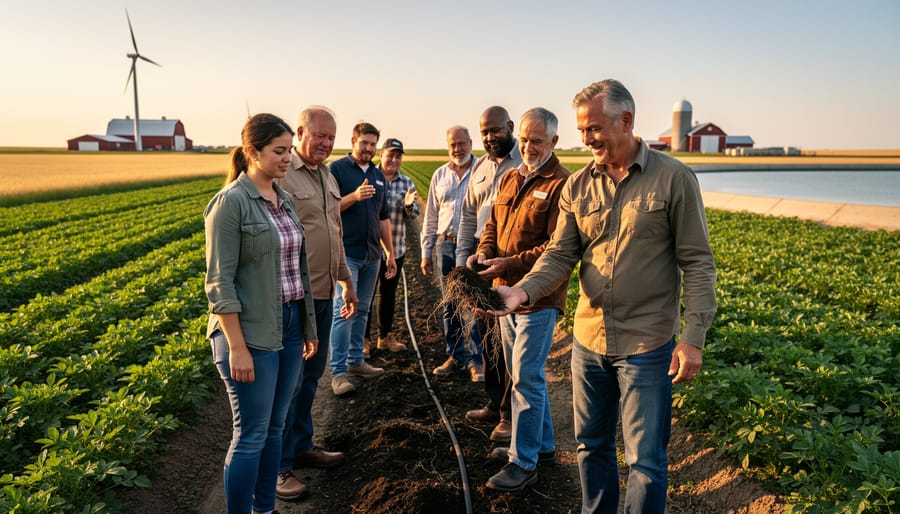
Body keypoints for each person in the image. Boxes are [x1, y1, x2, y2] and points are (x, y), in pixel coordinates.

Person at [490, 79, 717, 513]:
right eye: (582, 130)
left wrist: (692, 337)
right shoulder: (578, 186)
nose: (587, 138)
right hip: (589, 340)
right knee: (591, 446)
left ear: (626, 121)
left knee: (646, 459)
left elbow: (698, 264)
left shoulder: (673, 179)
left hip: (646, 344)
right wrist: (523, 291)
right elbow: (560, 254)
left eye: (594, 128)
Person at [204, 113, 318, 514]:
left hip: (286, 325)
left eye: (289, 150)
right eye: (279, 151)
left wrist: (306, 326)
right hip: (247, 333)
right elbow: (219, 283)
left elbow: (296, 271)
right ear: (252, 152)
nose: (288, 158)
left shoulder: (281, 198)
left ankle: (264, 509)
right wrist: (236, 347)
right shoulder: (230, 203)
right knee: (251, 433)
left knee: (274, 429)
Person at [468, 107, 570, 491]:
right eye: (524, 139)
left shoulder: (562, 184)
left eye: (537, 141)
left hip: (538, 297)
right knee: (521, 373)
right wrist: (484, 252)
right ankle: (541, 447)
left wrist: (506, 264)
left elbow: (554, 247)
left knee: (526, 377)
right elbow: (493, 223)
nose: (527, 146)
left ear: (554, 143)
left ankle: (522, 461)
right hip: (503, 292)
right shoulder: (511, 177)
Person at [275, 106, 358, 501]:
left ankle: (302, 446)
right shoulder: (281, 174)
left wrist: (347, 280)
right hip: (294, 298)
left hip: (324, 294)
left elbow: (334, 233)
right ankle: (278, 468)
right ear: (300, 132)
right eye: (318, 135)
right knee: (287, 383)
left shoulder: (327, 176)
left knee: (312, 376)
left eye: (331, 137)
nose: (325, 143)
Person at [455, 106, 523, 444]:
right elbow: (468, 216)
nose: (489, 137)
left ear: (510, 127)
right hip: (482, 262)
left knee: (511, 342)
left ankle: (511, 415)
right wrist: (461, 260)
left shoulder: (526, 161)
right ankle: (495, 403)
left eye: (495, 130)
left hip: (511, 265)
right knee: (487, 338)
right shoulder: (480, 167)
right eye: (484, 132)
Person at [328, 121, 397, 396]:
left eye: (372, 144)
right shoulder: (337, 170)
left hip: (372, 255)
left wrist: (390, 252)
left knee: (364, 310)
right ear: (353, 141)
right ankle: (338, 373)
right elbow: (328, 209)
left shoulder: (379, 176)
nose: (368, 148)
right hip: (347, 254)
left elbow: (383, 218)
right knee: (343, 312)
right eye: (364, 142)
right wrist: (354, 197)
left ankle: (357, 361)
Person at [420, 125, 483, 382]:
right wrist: (425, 252)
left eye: (462, 143)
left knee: (478, 304)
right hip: (445, 245)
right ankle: (455, 355)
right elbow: (431, 216)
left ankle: (477, 360)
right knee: (451, 303)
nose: (458, 149)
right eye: (452, 145)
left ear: (470, 142)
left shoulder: (482, 171)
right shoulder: (439, 175)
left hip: (475, 247)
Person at [364, 138, 420, 355]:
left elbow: (414, 215)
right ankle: (364, 340)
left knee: (388, 294)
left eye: (398, 156)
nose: (394, 159)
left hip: (395, 248)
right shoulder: (368, 177)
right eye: (390, 155)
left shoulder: (406, 182)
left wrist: (409, 206)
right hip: (370, 249)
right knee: (366, 296)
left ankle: (384, 337)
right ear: (381, 155)